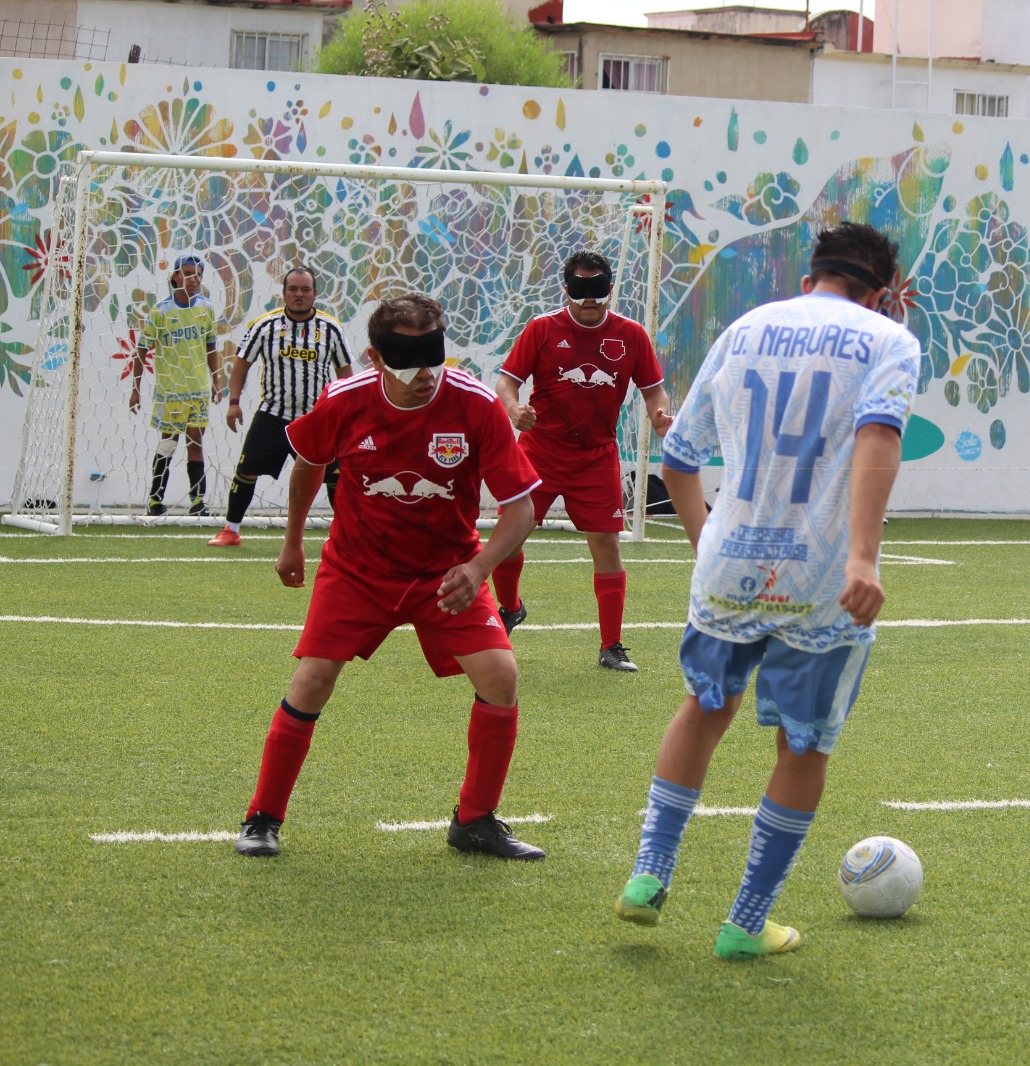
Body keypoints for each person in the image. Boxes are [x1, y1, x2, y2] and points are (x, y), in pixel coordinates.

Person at [611, 222, 920, 960]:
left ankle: (648, 874)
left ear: (812, 274)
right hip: (820, 575)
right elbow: (880, 436)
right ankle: (745, 924)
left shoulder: (747, 327)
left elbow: (678, 459)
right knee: (802, 744)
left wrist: (705, 542)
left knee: (704, 706)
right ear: (882, 293)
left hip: (730, 560)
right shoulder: (888, 340)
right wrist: (865, 559)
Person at [235, 293, 545, 862]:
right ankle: (262, 816)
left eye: (433, 357)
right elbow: (307, 463)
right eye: (407, 361)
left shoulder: (474, 405)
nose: (424, 374)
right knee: (312, 681)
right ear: (375, 358)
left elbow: (521, 509)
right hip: (357, 570)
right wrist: (292, 541)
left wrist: (478, 569)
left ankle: (474, 820)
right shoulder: (345, 399)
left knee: (501, 675)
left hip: (446, 574)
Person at [493, 251, 673, 672]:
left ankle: (612, 646)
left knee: (607, 546)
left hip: (596, 457)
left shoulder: (630, 335)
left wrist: (660, 414)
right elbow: (506, 381)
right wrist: (513, 409)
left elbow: (653, 390)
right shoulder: (541, 328)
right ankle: (510, 608)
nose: (588, 298)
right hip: (538, 453)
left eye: (596, 289)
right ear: (567, 289)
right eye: (579, 289)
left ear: (610, 289)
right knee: (507, 541)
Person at [210, 266, 353, 546]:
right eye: (293, 289)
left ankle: (348, 535)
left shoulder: (331, 328)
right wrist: (234, 403)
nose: (299, 294)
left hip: (317, 418)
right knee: (246, 469)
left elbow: (345, 373)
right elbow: (241, 364)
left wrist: (347, 413)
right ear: (284, 292)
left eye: (305, 289)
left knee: (336, 477)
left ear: (315, 293)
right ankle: (231, 529)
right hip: (273, 415)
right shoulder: (265, 325)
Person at [129, 253, 222, 516]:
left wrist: (216, 381)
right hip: (171, 391)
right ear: (175, 276)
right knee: (168, 442)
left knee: (195, 441)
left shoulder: (207, 308)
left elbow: (211, 347)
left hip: (198, 390)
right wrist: (135, 389)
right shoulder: (160, 311)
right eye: (189, 273)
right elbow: (142, 350)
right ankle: (155, 500)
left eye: (199, 275)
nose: (194, 279)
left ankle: (198, 502)